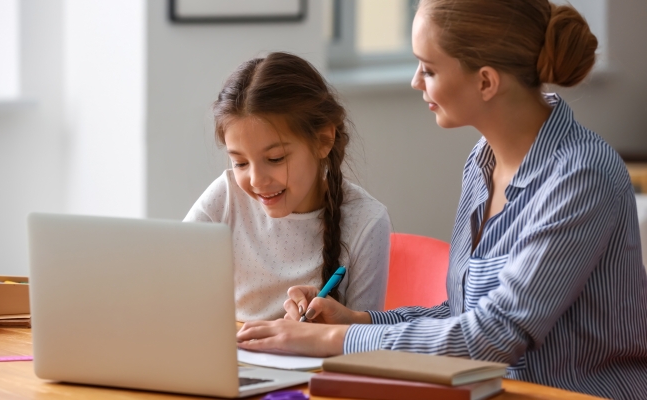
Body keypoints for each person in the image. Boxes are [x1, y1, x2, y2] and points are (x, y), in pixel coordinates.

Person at [236, 1, 647, 398]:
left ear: (485, 81)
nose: (415, 80)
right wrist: (359, 320)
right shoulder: (482, 163)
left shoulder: (581, 176)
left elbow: (493, 335)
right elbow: (464, 314)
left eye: (429, 68)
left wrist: (331, 338)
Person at [184, 52, 390, 322]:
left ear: (323, 140)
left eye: (275, 159)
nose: (257, 180)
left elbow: (363, 340)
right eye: (240, 162)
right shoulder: (226, 196)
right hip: (230, 359)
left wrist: (317, 334)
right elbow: (170, 281)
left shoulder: (366, 222)